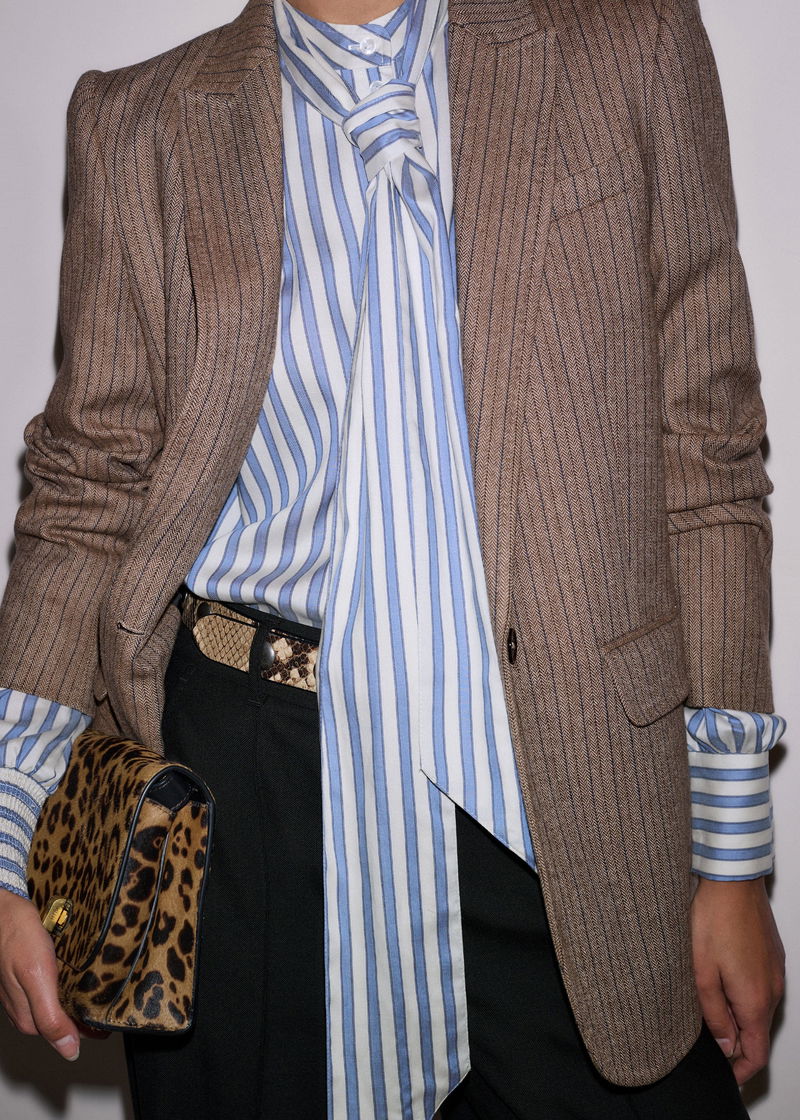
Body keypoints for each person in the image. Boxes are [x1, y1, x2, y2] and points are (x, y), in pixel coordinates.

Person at [0, 0, 787, 1117]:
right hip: (251, 820)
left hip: (571, 807)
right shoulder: (138, 123)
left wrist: (728, 856)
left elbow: (704, 454)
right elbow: (87, 491)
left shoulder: (630, 47)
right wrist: (6, 829)